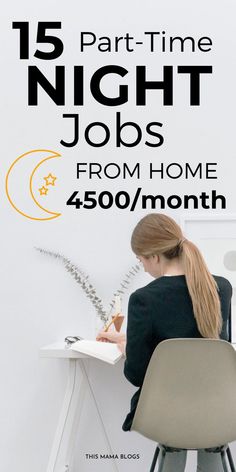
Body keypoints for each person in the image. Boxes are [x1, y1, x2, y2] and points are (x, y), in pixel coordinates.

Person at [97, 213, 232, 472]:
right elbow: (210, 346)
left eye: (141, 261)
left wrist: (127, 349)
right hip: (220, 411)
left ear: (155, 257)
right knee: (209, 424)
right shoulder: (221, 288)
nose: (144, 268)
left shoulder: (144, 299)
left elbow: (137, 374)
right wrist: (130, 339)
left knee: (174, 411)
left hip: (166, 414)